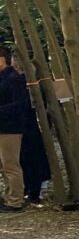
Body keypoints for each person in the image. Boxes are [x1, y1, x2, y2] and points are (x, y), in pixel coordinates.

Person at [9, 54, 51, 205]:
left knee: (32, 157)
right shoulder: (17, 81)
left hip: (28, 125)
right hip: (23, 125)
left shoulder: (31, 83)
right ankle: (30, 189)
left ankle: (34, 189)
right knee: (25, 158)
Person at [0, 46, 28, 213]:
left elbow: (19, 105)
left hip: (10, 128)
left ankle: (15, 201)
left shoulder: (14, 78)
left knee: (11, 164)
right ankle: (8, 196)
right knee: (3, 166)